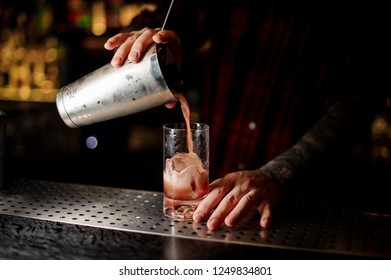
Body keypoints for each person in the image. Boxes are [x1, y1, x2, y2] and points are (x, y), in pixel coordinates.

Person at [104, 0, 387, 230]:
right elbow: (166, 18)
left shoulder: (352, 14)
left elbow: (360, 102)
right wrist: (147, 41)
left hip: (299, 211)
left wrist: (277, 175)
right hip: (213, 206)